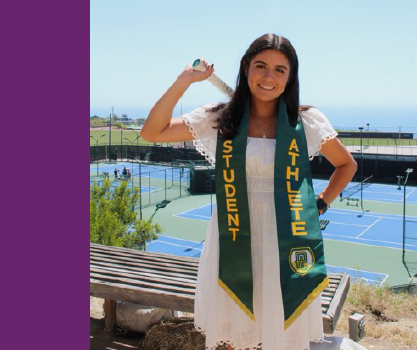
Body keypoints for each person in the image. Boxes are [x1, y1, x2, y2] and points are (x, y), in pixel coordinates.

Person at [141, 34, 356, 350]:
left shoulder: (305, 121)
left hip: (287, 235)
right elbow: (151, 132)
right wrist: (184, 81)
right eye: (261, 66)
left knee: (283, 321)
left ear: (290, 77)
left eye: (280, 70)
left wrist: (322, 202)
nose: (269, 77)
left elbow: (346, 165)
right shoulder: (220, 119)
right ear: (245, 68)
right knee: (234, 324)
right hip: (233, 232)